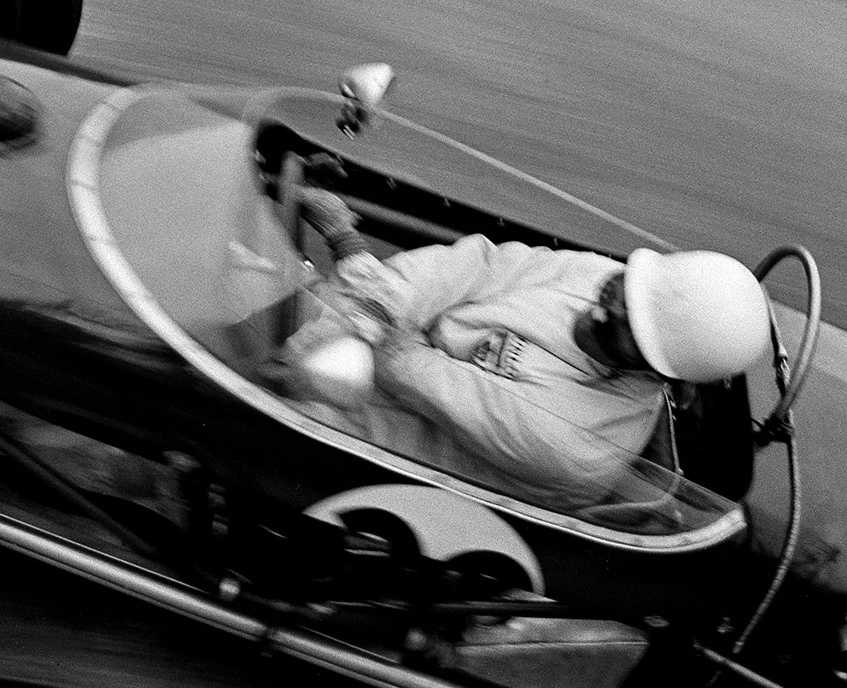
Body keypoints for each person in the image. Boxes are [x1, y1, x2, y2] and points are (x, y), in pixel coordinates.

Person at [281, 188, 771, 510]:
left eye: (631, 327)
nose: (609, 302)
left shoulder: (574, 442)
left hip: (359, 448)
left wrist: (348, 246)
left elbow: (401, 366)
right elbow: (480, 265)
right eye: (629, 284)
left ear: (659, 376)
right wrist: (378, 297)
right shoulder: (603, 280)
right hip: (356, 344)